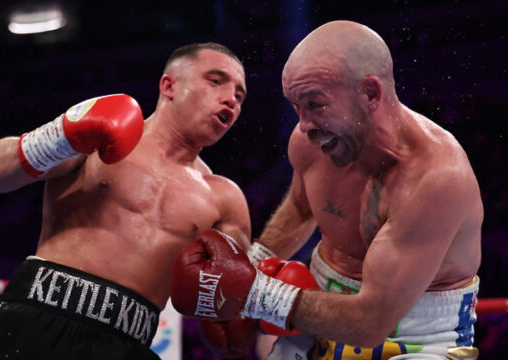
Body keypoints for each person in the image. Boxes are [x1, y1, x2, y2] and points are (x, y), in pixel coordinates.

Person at [171, 21, 483, 360]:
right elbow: (302, 208)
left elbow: (371, 321)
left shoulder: (436, 177)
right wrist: (252, 265)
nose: (304, 124)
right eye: (296, 106)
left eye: (315, 105)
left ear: (370, 93)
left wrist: (254, 292)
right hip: (320, 315)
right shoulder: (311, 143)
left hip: (419, 338)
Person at [0, 42, 253, 359]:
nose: (231, 97)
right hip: (36, 317)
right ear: (169, 85)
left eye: (239, 95)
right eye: (216, 81)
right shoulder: (97, 137)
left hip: (128, 343)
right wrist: (60, 137)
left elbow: (232, 304)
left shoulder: (225, 199)